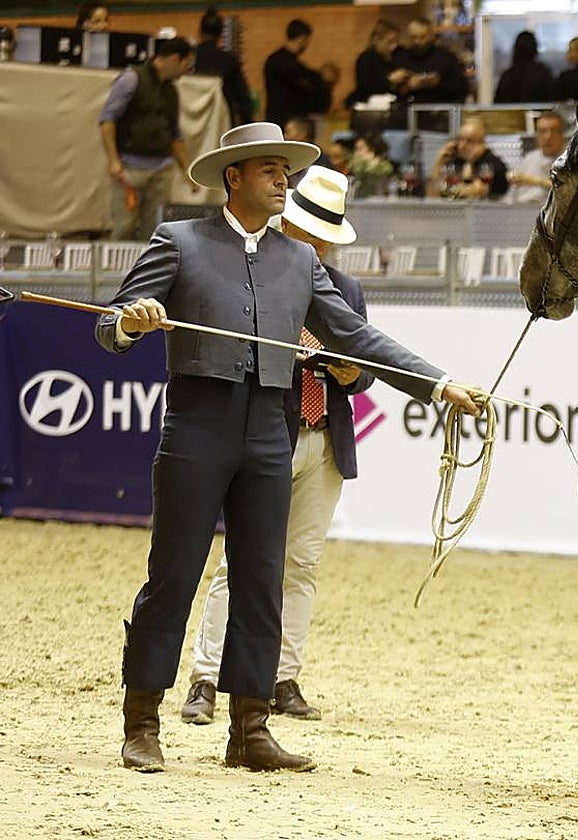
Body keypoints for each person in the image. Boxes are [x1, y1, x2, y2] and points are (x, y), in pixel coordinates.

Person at [94, 121, 480, 774]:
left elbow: (356, 337)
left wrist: (437, 383)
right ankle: (141, 723)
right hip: (196, 426)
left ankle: (249, 730)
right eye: (270, 170)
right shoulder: (179, 242)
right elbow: (110, 323)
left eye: (286, 170)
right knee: (173, 577)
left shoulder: (300, 262)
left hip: (270, 433)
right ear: (233, 177)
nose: (284, 181)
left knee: (261, 582)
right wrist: (128, 323)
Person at [180, 165, 372, 727]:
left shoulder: (348, 290)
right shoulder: (255, 276)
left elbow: (367, 373)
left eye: (323, 237)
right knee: (240, 561)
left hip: (324, 438)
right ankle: (207, 676)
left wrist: (346, 374)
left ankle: (282, 676)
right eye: (309, 231)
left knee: (301, 563)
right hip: (268, 432)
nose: (315, 245)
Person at [98, 36, 198, 241]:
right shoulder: (131, 78)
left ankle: (149, 271)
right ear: (174, 59)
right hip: (130, 169)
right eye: (186, 65)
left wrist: (187, 170)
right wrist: (113, 160)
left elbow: (175, 134)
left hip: (161, 170)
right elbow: (108, 119)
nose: (186, 72)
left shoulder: (171, 91)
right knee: (124, 227)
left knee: (155, 231)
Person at [264, 19, 333, 128]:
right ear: (302, 39)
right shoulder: (284, 63)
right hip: (286, 123)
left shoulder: (276, 61)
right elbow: (304, 79)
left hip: (282, 121)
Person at [195, 6, 254, 127]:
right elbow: (243, 98)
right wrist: (247, 124)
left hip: (193, 122)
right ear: (221, 34)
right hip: (222, 122)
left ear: (200, 31)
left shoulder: (190, 59)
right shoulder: (229, 60)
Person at [391, 18, 468, 105]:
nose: (417, 42)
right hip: (407, 110)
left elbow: (461, 88)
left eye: (422, 37)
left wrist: (437, 84)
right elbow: (390, 91)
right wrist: (406, 85)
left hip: (438, 110)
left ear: (431, 36)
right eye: (413, 37)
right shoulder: (400, 57)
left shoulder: (445, 58)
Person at [427, 117, 509, 199]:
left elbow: (475, 191)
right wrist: (438, 163)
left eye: (469, 141)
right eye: (460, 139)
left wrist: (470, 163)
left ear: (481, 143)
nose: (462, 145)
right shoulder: (453, 161)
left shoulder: (492, 164)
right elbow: (431, 197)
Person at [507, 110, 567, 204]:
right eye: (543, 131)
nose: (548, 136)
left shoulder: (572, 159)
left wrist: (536, 181)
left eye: (554, 130)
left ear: (562, 134)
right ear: (537, 135)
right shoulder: (529, 158)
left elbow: (569, 190)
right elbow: (511, 197)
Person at [345, 19, 406, 108]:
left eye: (396, 41)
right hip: (370, 105)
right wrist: (390, 81)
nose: (394, 46)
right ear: (377, 40)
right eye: (390, 41)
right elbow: (364, 85)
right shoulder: (366, 59)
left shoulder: (395, 58)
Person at [494, 31, 554, 103]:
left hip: (512, 114)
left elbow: (498, 104)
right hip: (538, 114)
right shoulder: (544, 73)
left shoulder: (507, 75)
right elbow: (552, 102)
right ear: (535, 48)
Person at [283, 117, 333, 186]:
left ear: (303, 134)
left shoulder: (320, 159)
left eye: (288, 132)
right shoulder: (285, 156)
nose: (284, 136)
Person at [347, 132, 395, 197]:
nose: (356, 153)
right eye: (355, 149)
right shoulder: (356, 164)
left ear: (372, 150)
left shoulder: (385, 166)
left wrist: (370, 165)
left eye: (360, 149)